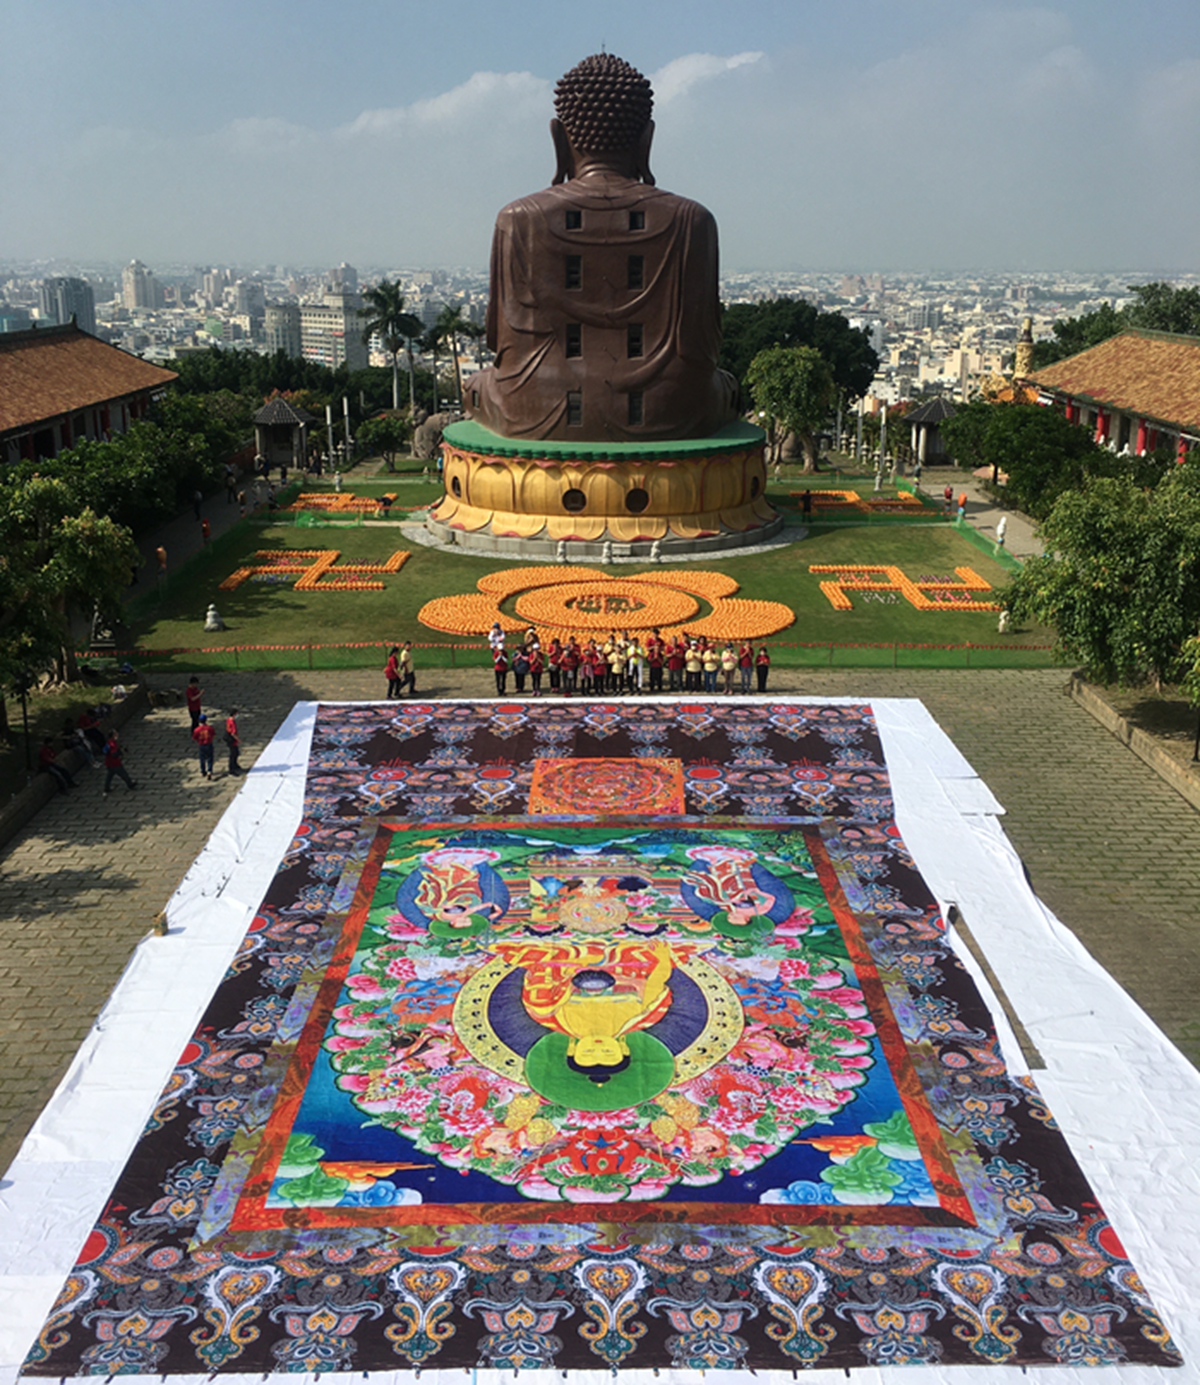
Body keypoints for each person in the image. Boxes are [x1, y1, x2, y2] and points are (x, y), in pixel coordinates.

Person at [463, 52, 737, 443]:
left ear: (558, 138)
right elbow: (705, 348)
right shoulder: (692, 221)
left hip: (535, 408)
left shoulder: (518, 218)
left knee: (476, 384)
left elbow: (499, 342)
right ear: (647, 140)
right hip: (672, 410)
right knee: (724, 385)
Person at [102, 730, 136, 795]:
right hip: (115, 763)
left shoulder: (109, 742)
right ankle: (130, 784)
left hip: (109, 763)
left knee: (110, 776)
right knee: (123, 774)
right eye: (115, 734)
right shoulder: (112, 744)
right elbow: (114, 754)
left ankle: (106, 787)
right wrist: (120, 752)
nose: (117, 734)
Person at [193, 713, 216, 780]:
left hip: (201, 745)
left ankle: (203, 771)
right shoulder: (209, 728)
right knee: (210, 758)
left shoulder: (197, 730)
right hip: (209, 744)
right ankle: (209, 771)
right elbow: (213, 735)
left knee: (202, 758)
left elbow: (194, 738)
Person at [224, 708, 241, 775]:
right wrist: (238, 739)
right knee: (233, 754)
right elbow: (233, 733)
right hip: (232, 740)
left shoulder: (228, 720)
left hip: (229, 738)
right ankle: (231, 769)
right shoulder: (232, 723)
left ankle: (235, 765)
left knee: (236, 752)